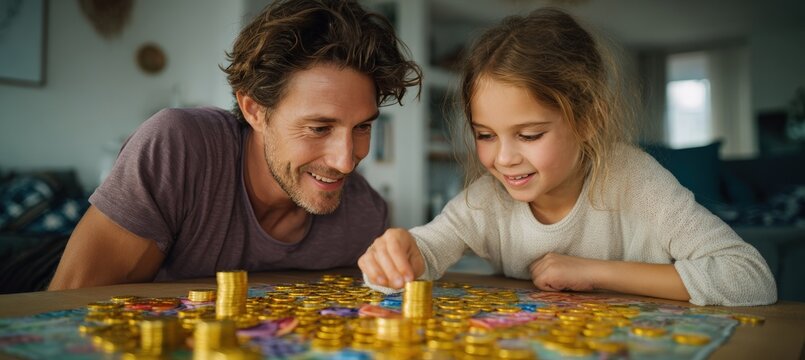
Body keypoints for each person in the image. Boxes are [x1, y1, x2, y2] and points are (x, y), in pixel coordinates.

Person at [358, 8, 776, 306]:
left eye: (530, 134)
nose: (504, 158)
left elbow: (750, 279)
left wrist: (592, 271)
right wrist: (398, 254)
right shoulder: (486, 201)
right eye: (485, 135)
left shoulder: (632, 179)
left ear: (588, 120)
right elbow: (424, 255)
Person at [48, 0, 421, 290]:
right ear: (254, 109)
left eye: (362, 127)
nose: (345, 162)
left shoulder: (365, 217)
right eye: (319, 128)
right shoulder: (178, 146)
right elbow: (64, 311)